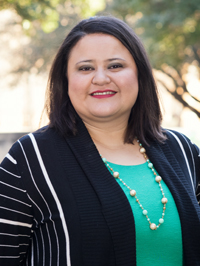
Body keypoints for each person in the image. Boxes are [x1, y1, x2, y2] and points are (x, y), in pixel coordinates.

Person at [0, 16, 200, 266]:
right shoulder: (30, 159)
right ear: (66, 80)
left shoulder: (183, 151)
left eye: (115, 66)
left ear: (140, 74)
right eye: (85, 68)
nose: (101, 78)